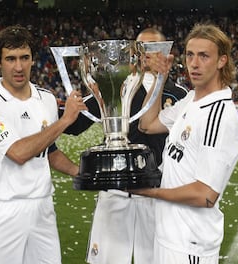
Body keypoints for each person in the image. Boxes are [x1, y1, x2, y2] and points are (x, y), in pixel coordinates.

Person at [63, 28, 188, 264]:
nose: (146, 55)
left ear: (165, 52)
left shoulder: (179, 94)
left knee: (154, 259)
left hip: (155, 191)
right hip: (115, 190)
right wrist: (68, 110)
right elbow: (74, 124)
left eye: (152, 48)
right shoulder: (116, 82)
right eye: (141, 49)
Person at [0, 25, 87, 264]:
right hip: (2, 211)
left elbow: (49, 151)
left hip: (42, 208)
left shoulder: (46, 99)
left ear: (33, 59)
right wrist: (65, 120)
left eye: (25, 58)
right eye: (10, 59)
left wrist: (82, 172)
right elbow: (18, 152)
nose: (18, 66)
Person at [134, 23, 238, 263]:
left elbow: (205, 195)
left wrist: (148, 192)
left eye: (204, 56)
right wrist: (160, 79)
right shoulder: (190, 100)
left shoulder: (219, 115)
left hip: (189, 243)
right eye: (190, 55)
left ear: (222, 61)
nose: (194, 63)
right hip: (168, 235)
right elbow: (147, 125)